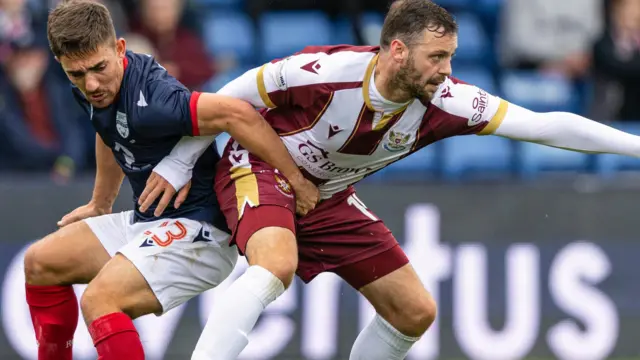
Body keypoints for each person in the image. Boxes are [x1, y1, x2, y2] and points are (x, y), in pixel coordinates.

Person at [147, 0, 640, 359]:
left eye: (450, 57)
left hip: (328, 192)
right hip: (261, 164)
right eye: (437, 58)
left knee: (413, 311)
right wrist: (182, 159)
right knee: (275, 265)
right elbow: (231, 99)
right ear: (398, 51)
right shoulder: (326, 71)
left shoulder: (447, 99)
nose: (447, 72)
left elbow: (544, 126)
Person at [23, 1, 318, 360]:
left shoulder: (158, 100)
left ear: (119, 48)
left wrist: (296, 180)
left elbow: (236, 114)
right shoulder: (95, 84)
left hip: (201, 231)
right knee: (40, 262)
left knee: (101, 300)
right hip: (151, 220)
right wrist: (100, 203)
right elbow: (107, 127)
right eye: (77, 74)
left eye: (99, 68)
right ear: (62, 64)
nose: (92, 83)